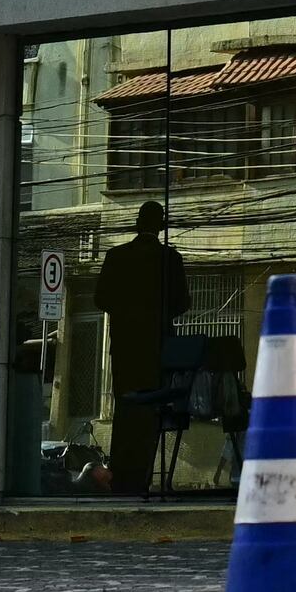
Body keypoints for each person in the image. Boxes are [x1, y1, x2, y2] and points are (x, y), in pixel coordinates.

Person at [96, 201, 191, 495]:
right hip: (156, 350)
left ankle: (121, 478)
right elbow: (182, 302)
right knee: (151, 414)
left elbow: (101, 299)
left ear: (138, 224)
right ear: (159, 227)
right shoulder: (169, 259)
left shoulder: (117, 256)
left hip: (124, 350)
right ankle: (142, 479)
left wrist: (127, 315)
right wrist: (157, 317)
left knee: (126, 412)